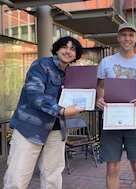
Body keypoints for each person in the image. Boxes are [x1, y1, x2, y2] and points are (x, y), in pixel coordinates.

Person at [4, 36, 86, 189]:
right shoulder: (41, 65)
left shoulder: (71, 74)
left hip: (56, 130)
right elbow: (34, 93)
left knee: (53, 177)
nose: (68, 51)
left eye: (73, 49)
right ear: (57, 48)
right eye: (64, 47)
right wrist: (61, 110)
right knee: (17, 177)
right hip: (30, 128)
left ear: (76, 55)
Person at [96, 23, 136, 189]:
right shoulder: (106, 62)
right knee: (112, 168)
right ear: (118, 38)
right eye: (123, 35)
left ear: (135, 39)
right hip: (111, 120)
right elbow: (100, 86)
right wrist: (100, 98)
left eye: (131, 35)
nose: (127, 38)